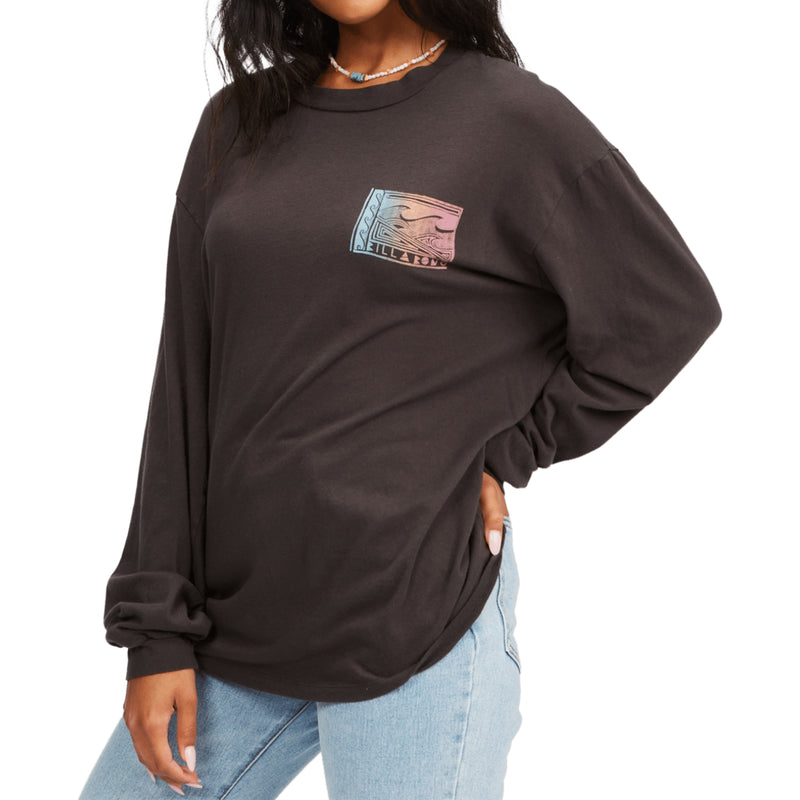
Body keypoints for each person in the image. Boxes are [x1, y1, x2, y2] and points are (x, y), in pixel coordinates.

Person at [78, 0, 723, 797]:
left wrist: (511, 450)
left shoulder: (510, 121)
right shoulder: (237, 123)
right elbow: (184, 385)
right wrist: (154, 631)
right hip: (234, 619)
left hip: (416, 613)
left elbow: (663, 313)